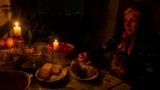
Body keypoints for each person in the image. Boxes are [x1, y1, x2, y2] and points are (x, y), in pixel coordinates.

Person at [78, 1, 160, 89]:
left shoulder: (151, 45)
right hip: (113, 78)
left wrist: (128, 75)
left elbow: (150, 78)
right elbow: (104, 47)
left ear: (143, 22)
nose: (127, 25)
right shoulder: (121, 36)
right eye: (125, 20)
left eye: (133, 21)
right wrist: (88, 54)